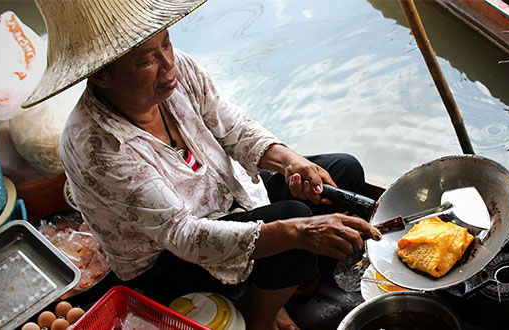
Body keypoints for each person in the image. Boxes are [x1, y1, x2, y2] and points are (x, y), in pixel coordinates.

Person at [22, 1, 381, 329]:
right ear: (102, 76)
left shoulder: (177, 74)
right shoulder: (96, 145)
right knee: (292, 224)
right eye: (147, 60)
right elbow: (184, 235)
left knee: (343, 172)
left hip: (226, 201)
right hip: (168, 260)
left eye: (166, 43)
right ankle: (262, 316)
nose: (167, 66)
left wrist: (291, 162)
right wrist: (300, 231)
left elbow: (234, 128)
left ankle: (286, 286)